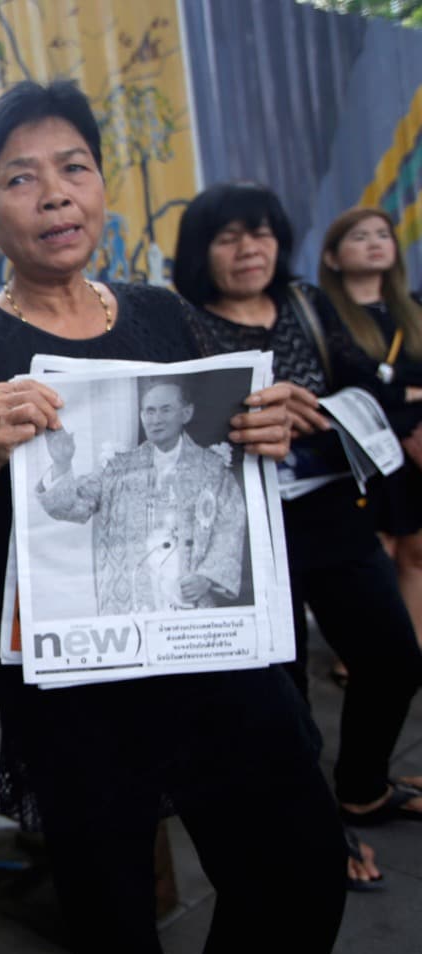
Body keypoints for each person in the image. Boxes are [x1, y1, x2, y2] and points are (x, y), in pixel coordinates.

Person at [0, 80, 345, 954]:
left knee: (298, 875)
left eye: (74, 167)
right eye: (21, 179)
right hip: (82, 699)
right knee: (113, 922)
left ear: (102, 188)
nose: (55, 193)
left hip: (209, 658)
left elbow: (232, 456)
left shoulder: (161, 314)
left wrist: (260, 427)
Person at [173, 182, 422, 886]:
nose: (249, 249)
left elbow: (370, 385)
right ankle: (319, 830)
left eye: (261, 233)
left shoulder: (308, 305)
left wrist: (316, 406)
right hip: (246, 527)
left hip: (331, 511)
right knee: (283, 699)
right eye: (228, 237)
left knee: (396, 659)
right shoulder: (182, 323)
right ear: (201, 251)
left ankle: (363, 786)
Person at [38, 378, 245, 614]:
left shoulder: (212, 468)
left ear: (186, 413)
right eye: (149, 411)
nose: (156, 420)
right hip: (130, 602)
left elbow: (230, 525)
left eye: (165, 410)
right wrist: (62, 463)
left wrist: (207, 577)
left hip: (187, 601)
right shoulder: (119, 467)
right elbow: (70, 505)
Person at [318, 208, 422, 649]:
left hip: (414, 449)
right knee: (373, 557)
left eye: (382, 234)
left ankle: (412, 650)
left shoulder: (413, 310)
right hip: (359, 453)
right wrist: (407, 395)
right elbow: (347, 391)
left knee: (416, 554)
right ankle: (362, 659)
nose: (375, 242)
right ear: (333, 257)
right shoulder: (323, 318)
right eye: (360, 236)